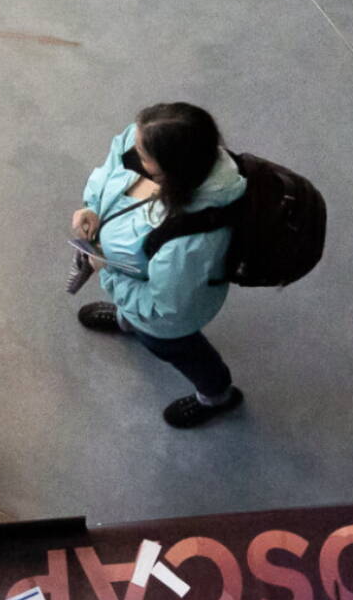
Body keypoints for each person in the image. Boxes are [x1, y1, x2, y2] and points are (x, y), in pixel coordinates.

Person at [72, 102, 249, 428]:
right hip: (132, 280)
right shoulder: (151, 138)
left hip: (166, 320)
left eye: (141, 154)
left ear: (171, 170)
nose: (131, 149)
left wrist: (108, 271)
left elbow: (166, 306)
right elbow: (114, 159)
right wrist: (91, 205)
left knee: (180, 349)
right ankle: (129, 320)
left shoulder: (190, 242)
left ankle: (217, 394)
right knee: (137, 313)